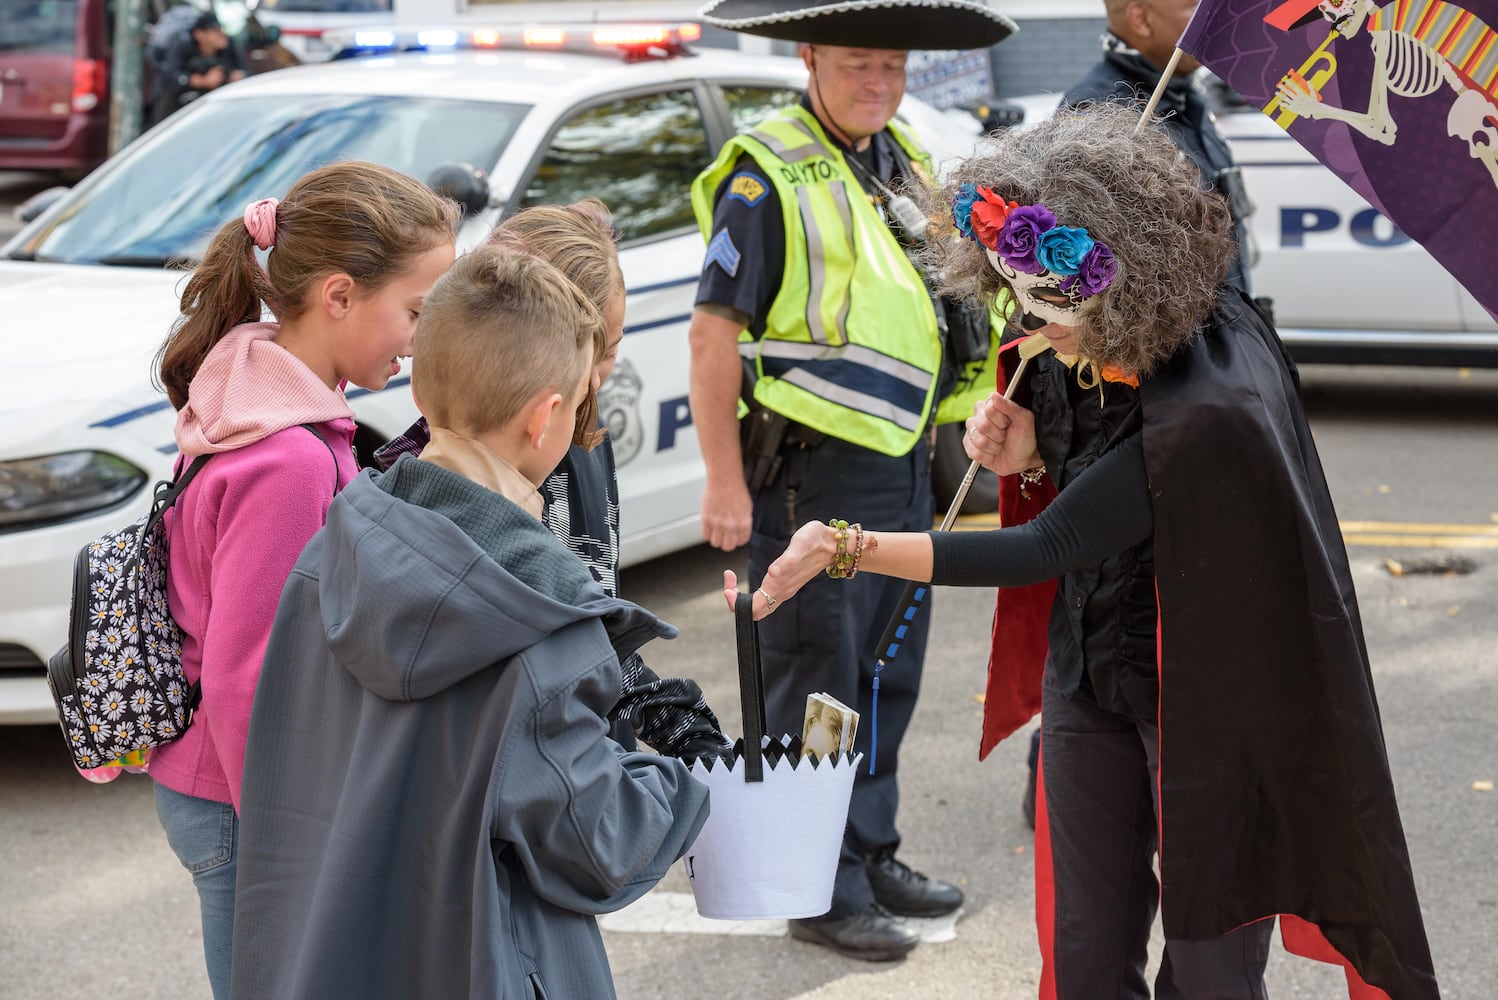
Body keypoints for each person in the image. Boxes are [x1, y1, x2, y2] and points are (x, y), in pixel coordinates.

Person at [733, 105, 1439, 999]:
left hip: (1207, 703)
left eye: (1055, 300)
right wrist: (1030, 450)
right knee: (1083, 948)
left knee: (1212, 963)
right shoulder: (1070, 348)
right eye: (1016, 295)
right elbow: (1070, 492)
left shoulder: (1215, 395)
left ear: (1129, 276)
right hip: (1089, 673)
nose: (1035, 322)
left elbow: (1048, 543)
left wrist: (844, 544)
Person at [230, 246, 712, 1000]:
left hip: (324, 961)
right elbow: (600, 842)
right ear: (546, 416)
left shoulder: (327, 554)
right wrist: (684, 786)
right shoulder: (543, 628)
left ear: (420, 383)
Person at [688, 0, 1018, 961]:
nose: (879, 83)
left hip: (899, 467)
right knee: (818, 689)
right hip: (809, 476)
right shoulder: (768, 174)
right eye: (858, 65)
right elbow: (713, 336)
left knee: (885, 676)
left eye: (894, 66)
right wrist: (721, 484)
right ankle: (818, 887)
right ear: (811, 58)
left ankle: (869, 852)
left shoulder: (896, 155)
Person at [147, 160, 458, 998]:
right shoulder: (285, 460)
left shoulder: (259, 387)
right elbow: (253, 674)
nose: (420, 338)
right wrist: (302, 839)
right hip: (248, 804)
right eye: (416, 312)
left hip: (227, 788)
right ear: (339, 294)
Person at [374, 199, 735, 761]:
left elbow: (596, 619)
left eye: (611, 351)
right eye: (592, 351)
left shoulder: (586, 433)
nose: (593, 380)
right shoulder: (433, 491)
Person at [1063, 0, 1253, 295]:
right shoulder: (1100, 116)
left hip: (1227, 323)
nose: (1211, 20)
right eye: (1194, 7)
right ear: (1141, 19)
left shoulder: (1187, 95)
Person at [152, 10, 247, 124]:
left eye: (221, 29)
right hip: (180, 107)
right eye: (214, 31)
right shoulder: (183, 44)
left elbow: (246, 71)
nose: (221, 34)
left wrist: (237, 76)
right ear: (199, 34)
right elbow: (171, 75)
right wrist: (201, 80)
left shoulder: (227, 46)